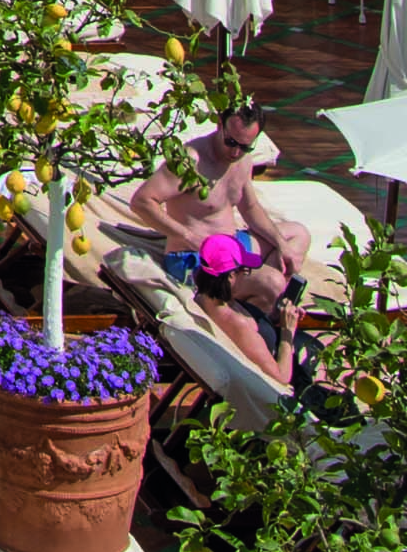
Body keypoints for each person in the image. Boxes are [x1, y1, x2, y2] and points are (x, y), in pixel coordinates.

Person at [122, 107, 316, 381]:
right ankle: (260, 332)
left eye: (245, 146)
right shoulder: (190, 161)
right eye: (230, 142)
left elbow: (250, 208)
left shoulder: (242, 160)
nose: (235, 152)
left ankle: (265, 310)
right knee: (272, 281)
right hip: (196, 258)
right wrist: (189, 236)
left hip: (232, 246)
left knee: (298, 235)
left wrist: (280, 244)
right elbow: (141, 202)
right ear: (219, 125)